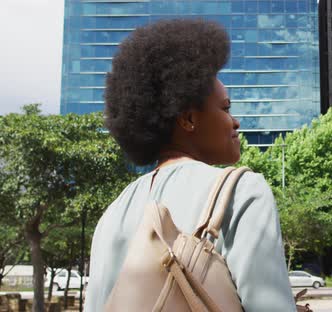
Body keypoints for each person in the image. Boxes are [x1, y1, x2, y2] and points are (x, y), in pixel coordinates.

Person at [84, 19, 296, 311]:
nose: (235, 121)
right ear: (188, 119)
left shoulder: (112, 215)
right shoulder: (242, 192)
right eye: (225, 108)